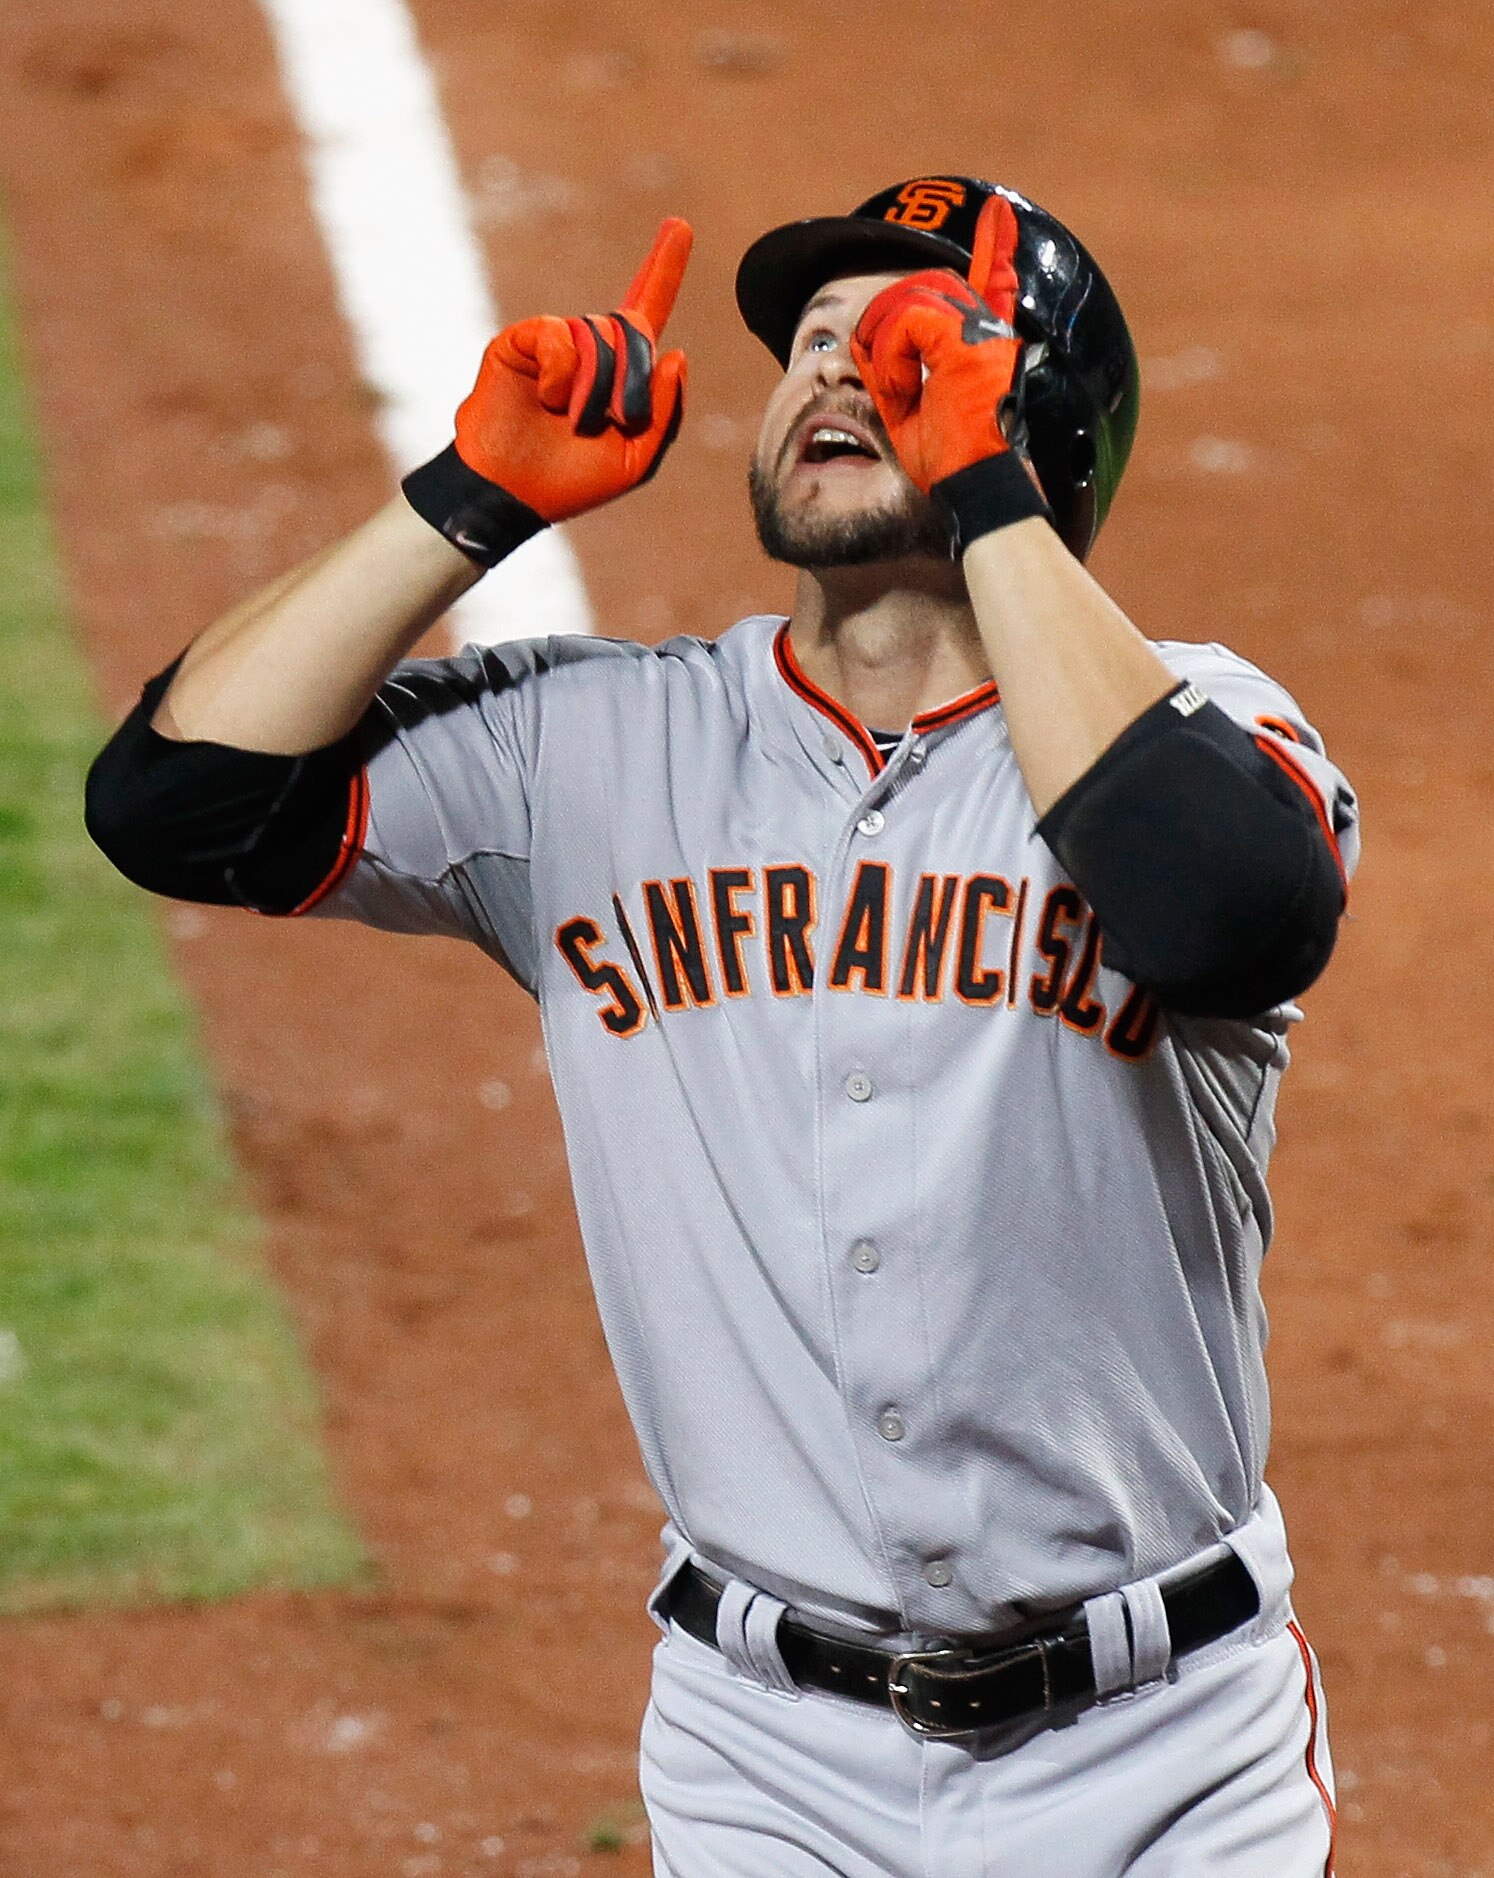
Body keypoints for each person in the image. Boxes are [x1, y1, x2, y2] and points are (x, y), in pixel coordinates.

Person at [86, 175, 1353, 1874]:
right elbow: (173, 804)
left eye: (904, 345)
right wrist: (466, 501)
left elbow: (1230, 911)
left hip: (1163, 1750)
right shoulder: (595, 748)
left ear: (1033, 415)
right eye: (811, 347)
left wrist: (990, 498)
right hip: (767, 1759)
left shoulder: (1205, 724)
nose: (832, 372)